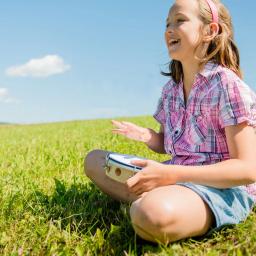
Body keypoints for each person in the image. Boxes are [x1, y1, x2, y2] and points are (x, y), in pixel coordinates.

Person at [84, 0, 256, 244]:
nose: (169, 29)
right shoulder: (171, 90)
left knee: (152, 215)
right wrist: (148, 137)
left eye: (180, 20)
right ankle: (158, 198)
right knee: (95, 160)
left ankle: (151, 204)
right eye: (167, 24)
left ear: (210, 31)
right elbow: (166, 145)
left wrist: (169, 175)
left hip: (219, 188)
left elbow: (247, 170)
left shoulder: (228, 86)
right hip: (173, 174)